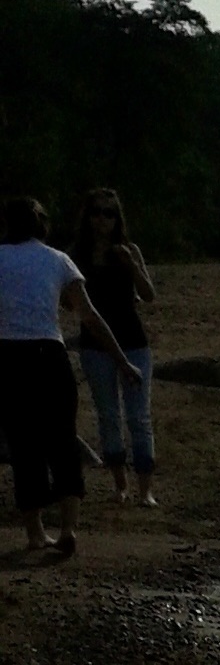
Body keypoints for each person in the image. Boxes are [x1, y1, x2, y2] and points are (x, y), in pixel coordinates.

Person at [0, 197, 138, 556]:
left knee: (23, 445)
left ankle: (35, 533)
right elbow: (89, 316)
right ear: (41, 224)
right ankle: (68, 528)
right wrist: (122, 360)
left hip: (9, 355)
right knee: (62, 439)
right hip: (49, 353)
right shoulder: (58, 259)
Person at [70, 187, 158, 505]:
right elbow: (68, 301)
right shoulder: (77, 256)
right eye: (96, 212)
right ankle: (121, 484)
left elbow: (148, 294)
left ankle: (146, 490)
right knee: (108, 415)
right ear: (87, 216)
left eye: (109, 213)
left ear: (117, 218)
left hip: (133, 342)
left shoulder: (129, 251)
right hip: (94, 346)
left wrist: (132, 264)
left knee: (139, 417)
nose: (102, 220)